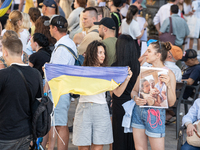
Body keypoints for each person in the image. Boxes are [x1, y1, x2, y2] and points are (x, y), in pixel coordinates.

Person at [73, 40, 118, 150]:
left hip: (101, 108)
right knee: (83, 145)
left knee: (98, 145)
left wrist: (126, 78)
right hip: (84, 108)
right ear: (92, 53)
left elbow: (115, 92)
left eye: (103, 53)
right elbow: (74, 90)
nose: (103, 55)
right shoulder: (81, 71)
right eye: (100, 52)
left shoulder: (107, 72)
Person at [131, 41, 176, 150]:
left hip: (155, 114)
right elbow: (133, 91)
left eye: (149, 51)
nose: (146, 53)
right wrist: (136, 98)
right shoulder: (144, 70)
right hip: (138, 111)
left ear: (158, 55)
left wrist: (169, 85)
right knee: (139, 148)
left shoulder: (168, 73)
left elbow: (171, 102)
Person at [0, 34, 41, 150]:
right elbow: (37, 104)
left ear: (5, 53)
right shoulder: (36, 74)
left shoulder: (3, 75)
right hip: (26, 134)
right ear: (22, 52)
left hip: (5, 135)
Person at [44, 15, 77, 150]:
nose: (49, 30)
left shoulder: (63, 47)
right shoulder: (66, 43)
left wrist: (47, 67)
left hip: (60, 90)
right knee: (58, 123)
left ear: (55, 28)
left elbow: (58, 72)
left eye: (50, 27)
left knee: (60, 124)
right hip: (61, 90)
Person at [111, 34, 140, 150]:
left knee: (119, 137)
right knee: (132, 138)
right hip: (133, 104)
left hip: (119, 105)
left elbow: (114, 93)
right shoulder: (138, 66)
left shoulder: (115, 67)